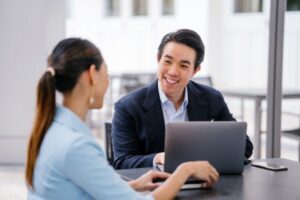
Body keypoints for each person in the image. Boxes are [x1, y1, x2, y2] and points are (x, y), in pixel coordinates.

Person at [25, 38, 219, 200]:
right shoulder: (77, 146)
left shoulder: (54, 129)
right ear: (93, 74)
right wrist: (184, 171)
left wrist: (134, 185)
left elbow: (83, 189)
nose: (108, 80)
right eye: (106, 71)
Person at [112, 29, 254, 169]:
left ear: (195, 71)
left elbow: (245, 148)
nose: (173, 72)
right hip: (155, 188)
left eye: (183, 65)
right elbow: (122, 162)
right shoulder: (128, 107)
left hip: (204, 184)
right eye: (167, 61)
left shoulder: (211, 99)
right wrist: (158, 158)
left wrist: (211, 147)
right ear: (158, 59)